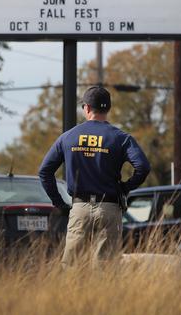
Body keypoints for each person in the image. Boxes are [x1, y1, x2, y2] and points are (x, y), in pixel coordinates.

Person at [38, 86, 150, 267]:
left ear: (87, 108)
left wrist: (59, 203)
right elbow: (143, 167)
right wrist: (125, 187)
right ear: (108, 109)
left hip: (79, 207)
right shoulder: (120, 137)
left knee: (72, 268)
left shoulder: (68, 137)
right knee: (106, 267)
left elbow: (44, 172)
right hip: (110, 208)